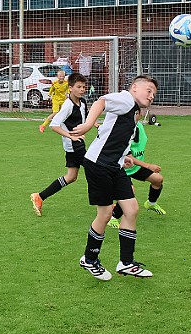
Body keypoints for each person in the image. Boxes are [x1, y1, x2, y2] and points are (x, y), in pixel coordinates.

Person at [70, 74, 158, 281]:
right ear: (135, 87)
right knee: (105, 214)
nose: (152, 96)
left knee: (131, 209)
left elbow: (116, 135)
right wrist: (88, 123)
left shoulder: (133, 110)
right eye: (149, 90)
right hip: (98, 164)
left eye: (154, 93)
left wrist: (126, 156)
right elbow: (101, 101)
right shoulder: (126, 99)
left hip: (115, 165)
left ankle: (126, 263)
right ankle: (89, 259)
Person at [30, 73, 88, 216]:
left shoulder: (83, 102)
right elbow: (54, 125)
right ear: (70, 88)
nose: (82, 90)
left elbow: (83, 120)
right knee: (95, 170)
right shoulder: (68, 105)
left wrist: (94, 125)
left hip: (78, 143)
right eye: (79, 87)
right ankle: (109, 205)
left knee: (71, 176)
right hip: (74, 145)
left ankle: (40, 196)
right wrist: (71, 136)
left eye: (84, 87)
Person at [108, 111, 166, 228]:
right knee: (129, 191)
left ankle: (151, 203)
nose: (137, 115)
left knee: (158, 179)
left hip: (136, 167)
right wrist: (148, 166)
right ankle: (112, 217)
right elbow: (128, 157)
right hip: (121, 167)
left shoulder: (138, 125)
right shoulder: (124, 130)